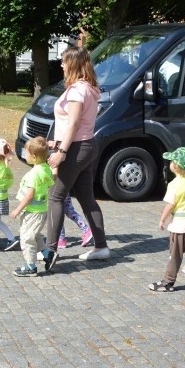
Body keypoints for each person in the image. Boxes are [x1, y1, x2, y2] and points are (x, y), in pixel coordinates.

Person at [43, 46, 110, 272]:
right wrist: (56, 142)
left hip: (75, 148)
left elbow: (72, 123)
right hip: (87, 145)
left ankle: (50, 250)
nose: (61, 65)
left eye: (63, 62)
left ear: (73, 64)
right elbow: (76, 125)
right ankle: (101, 246)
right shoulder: (89, 88)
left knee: (55, 196)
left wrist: (61, 151)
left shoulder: (76, 91)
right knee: (86, 198)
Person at [148, 147, 185, 294]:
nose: (170, 163)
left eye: (172, 161)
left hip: (179, 226)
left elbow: (170, 205)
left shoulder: (175, 185)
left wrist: (162, 220)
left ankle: (168, 281)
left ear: (177, 167)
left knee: (175, 256)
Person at [10, 137, 54, 277]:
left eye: (26, 153)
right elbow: (52, 180)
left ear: (33, 157)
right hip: (41, 211)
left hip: (32, 212)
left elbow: (29, 195)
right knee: (35, 235)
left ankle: (30, 266)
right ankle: (47, 254)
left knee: (27, 238)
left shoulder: (33, 175)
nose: (24, 155)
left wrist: (17, 209)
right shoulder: (46, 168)